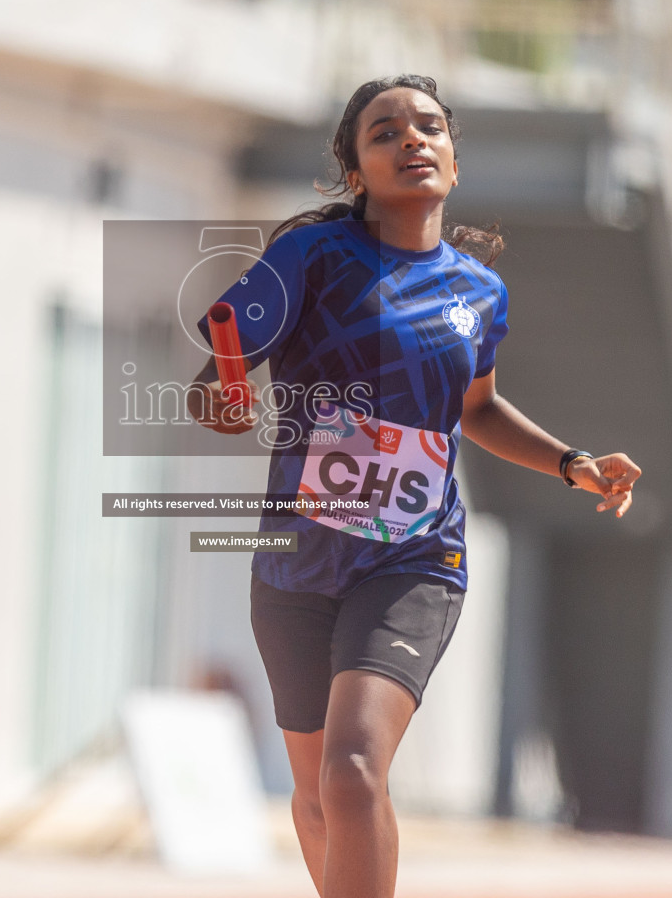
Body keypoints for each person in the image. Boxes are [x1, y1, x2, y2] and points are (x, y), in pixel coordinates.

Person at [191, 75, 641, 898]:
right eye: (384, 131)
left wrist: (571, 461)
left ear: (455, 162)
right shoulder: (309, 259)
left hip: (414, 557)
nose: (411, 140)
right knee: (319, 798)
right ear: (356, 170)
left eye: (429, 127)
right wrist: (220, 397)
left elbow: (479, 407)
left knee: (355, 769)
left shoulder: (479, 292)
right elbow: (213, 376)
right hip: (294, 561)